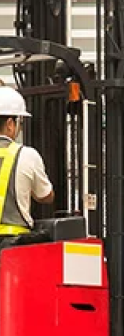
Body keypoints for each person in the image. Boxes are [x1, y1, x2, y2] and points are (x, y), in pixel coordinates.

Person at [0, 86, 54, 245]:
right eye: (20, 123)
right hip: (13, 245)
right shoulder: (27, 155)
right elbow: (46, 196)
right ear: (10, 124)